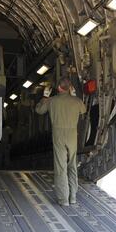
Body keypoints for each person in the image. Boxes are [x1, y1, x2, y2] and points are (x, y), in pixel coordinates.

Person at [36, 77, 87, 206]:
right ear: (70, 88)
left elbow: (39, 110)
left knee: (61, 167)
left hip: (58, 136)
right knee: (72, 166)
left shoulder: (52, 101)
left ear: (58, 88)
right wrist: (74, 95)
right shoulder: (76, 101)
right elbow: (84, 110)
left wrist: (44, 97)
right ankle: (73, 197)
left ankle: (64, 199)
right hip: (72, 136)